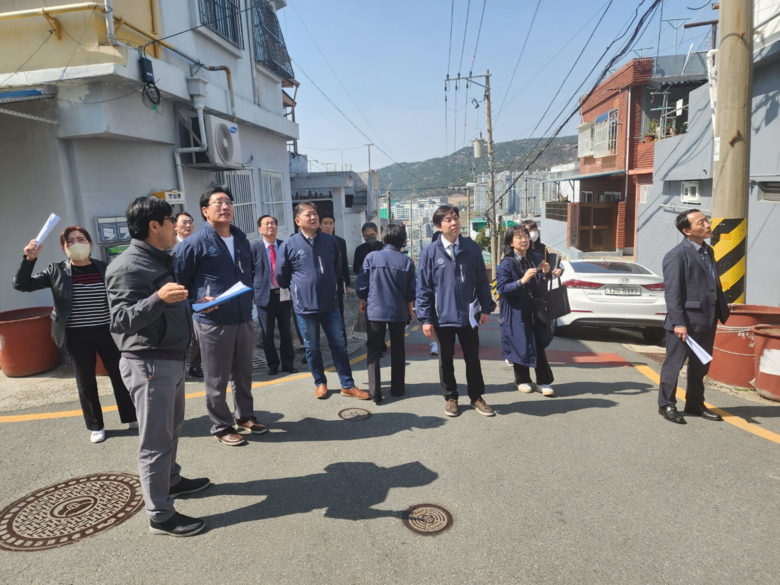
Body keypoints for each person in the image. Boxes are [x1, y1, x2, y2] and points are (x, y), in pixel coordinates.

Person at [105, 196, 211, 537]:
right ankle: (160, 515)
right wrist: (157, 298)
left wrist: (196, 304)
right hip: (148, 363)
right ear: (154, 226)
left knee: (171, 430)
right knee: (155, 441)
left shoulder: (159, 258)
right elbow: (120, 320)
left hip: (169, 358)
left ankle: (171, 481)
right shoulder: (126, 266)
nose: (175, 225)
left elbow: (170, 304)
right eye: (170, 220)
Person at [13, 226, 137, 443]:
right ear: (64, 248)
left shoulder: (104, 268)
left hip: (108, 332)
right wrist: (29, 259)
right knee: (85, 381)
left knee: (120, 375)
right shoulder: (56, 271)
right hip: (76, 335)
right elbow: (21, 285)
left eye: (81, 239)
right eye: (70, 241)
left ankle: (131, 416)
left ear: (90, 244)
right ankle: (96, 426)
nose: (76, 244)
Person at [176, 185, 266, 446]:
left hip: (242, 316)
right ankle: (221, 425)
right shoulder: (194, 243)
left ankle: (245, 415)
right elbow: (179, 281)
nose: (225, 206)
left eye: (228, 202)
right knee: (216, 378)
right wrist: (194, 302)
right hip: (212, 321)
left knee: (244, 372)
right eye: (218, 202)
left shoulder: (241, 239)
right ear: (205, 211)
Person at [277, 202, 369, 401]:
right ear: (297, 221)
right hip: (304, 308)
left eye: (314, 214)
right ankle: (320, 383)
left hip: (330, 305)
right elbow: (281, 277)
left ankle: (347, 384)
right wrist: (301, 288)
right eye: (308, 214)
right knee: (312, 347)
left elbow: (337, 268)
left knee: (339, 345)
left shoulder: (329, 241)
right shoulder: (289, 245)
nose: (313, 217)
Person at [416, 205, 496, 417]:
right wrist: (425, 319)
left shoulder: (471, 247)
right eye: (448, 220)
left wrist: (486, 308)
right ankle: (451, 397)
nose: (454, 223)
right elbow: (423, 288)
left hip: (468, 316)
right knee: (446, 360)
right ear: (438, 226)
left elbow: (482, 280)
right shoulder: (430, 252)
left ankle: (476, 397)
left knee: (473, 358)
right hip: (442, 317)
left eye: (456, 218)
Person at [657, 210, 730, 424]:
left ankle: (695, 403)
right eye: (701, 222)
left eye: (706, 220)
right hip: (685, 322)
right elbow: (673, 293)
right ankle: (667, 404)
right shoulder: (677, 255)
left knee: (700, 365)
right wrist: (679, 322)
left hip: (708, 318)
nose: (707, 225)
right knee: (674, 365)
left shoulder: (709, 251)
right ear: (687, 231)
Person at [356, 223, 416, 403]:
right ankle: (397, 389)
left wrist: (362, 301)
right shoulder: (407, 262)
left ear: (383, 238)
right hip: (398, 311)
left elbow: (362, 285)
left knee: (374, 349)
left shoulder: (371, 257)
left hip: (375, 309)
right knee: (398, 348)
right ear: (402, 241)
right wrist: (410, 311)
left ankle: (375, 392)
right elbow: (411, 292)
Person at [496, 225, 556, 397]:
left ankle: (543, 381)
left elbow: (542, 284)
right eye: (519, 237)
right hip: (515, 310)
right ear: (511, 242)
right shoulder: (507, 263)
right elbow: (502, 288)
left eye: (526, 236)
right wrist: (521, 281)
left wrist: (547, 273)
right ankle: (522, 380)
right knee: (519, 343)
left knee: (538, 343)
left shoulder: (536, 258)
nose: (524, 240)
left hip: (534, 308)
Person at [250, 214, 297, 376]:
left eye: (273, 223)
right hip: (264, 296)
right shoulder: (254, 249)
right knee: (267, 333)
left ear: (277, 227)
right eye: (266, 224)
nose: (270, 226)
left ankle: (288, 363)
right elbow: (249, 273)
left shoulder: (285, 246)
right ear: (260, 229)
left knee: (286, 331)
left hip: (283, 295)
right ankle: (272, 364)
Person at [173, 212, 202, 378]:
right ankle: (178, 366)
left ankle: (195, 366)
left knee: (197, 333)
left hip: (196, 295)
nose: (188, 225)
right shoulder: (170, 246)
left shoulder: (198, 244)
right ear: (175, 226)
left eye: (190, 222)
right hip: (176, 296)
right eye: (184, 222)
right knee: (180, 333)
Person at [319, 212, 351, 337]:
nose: (328, 226)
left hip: (337, 283)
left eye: (330, 223)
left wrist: (346, 283)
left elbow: (344, 263)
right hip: (321, 283)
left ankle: (342, 340)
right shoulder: (316, 241)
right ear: (320, 225)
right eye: (325, 223)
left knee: (339, 313)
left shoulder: (340, 242)